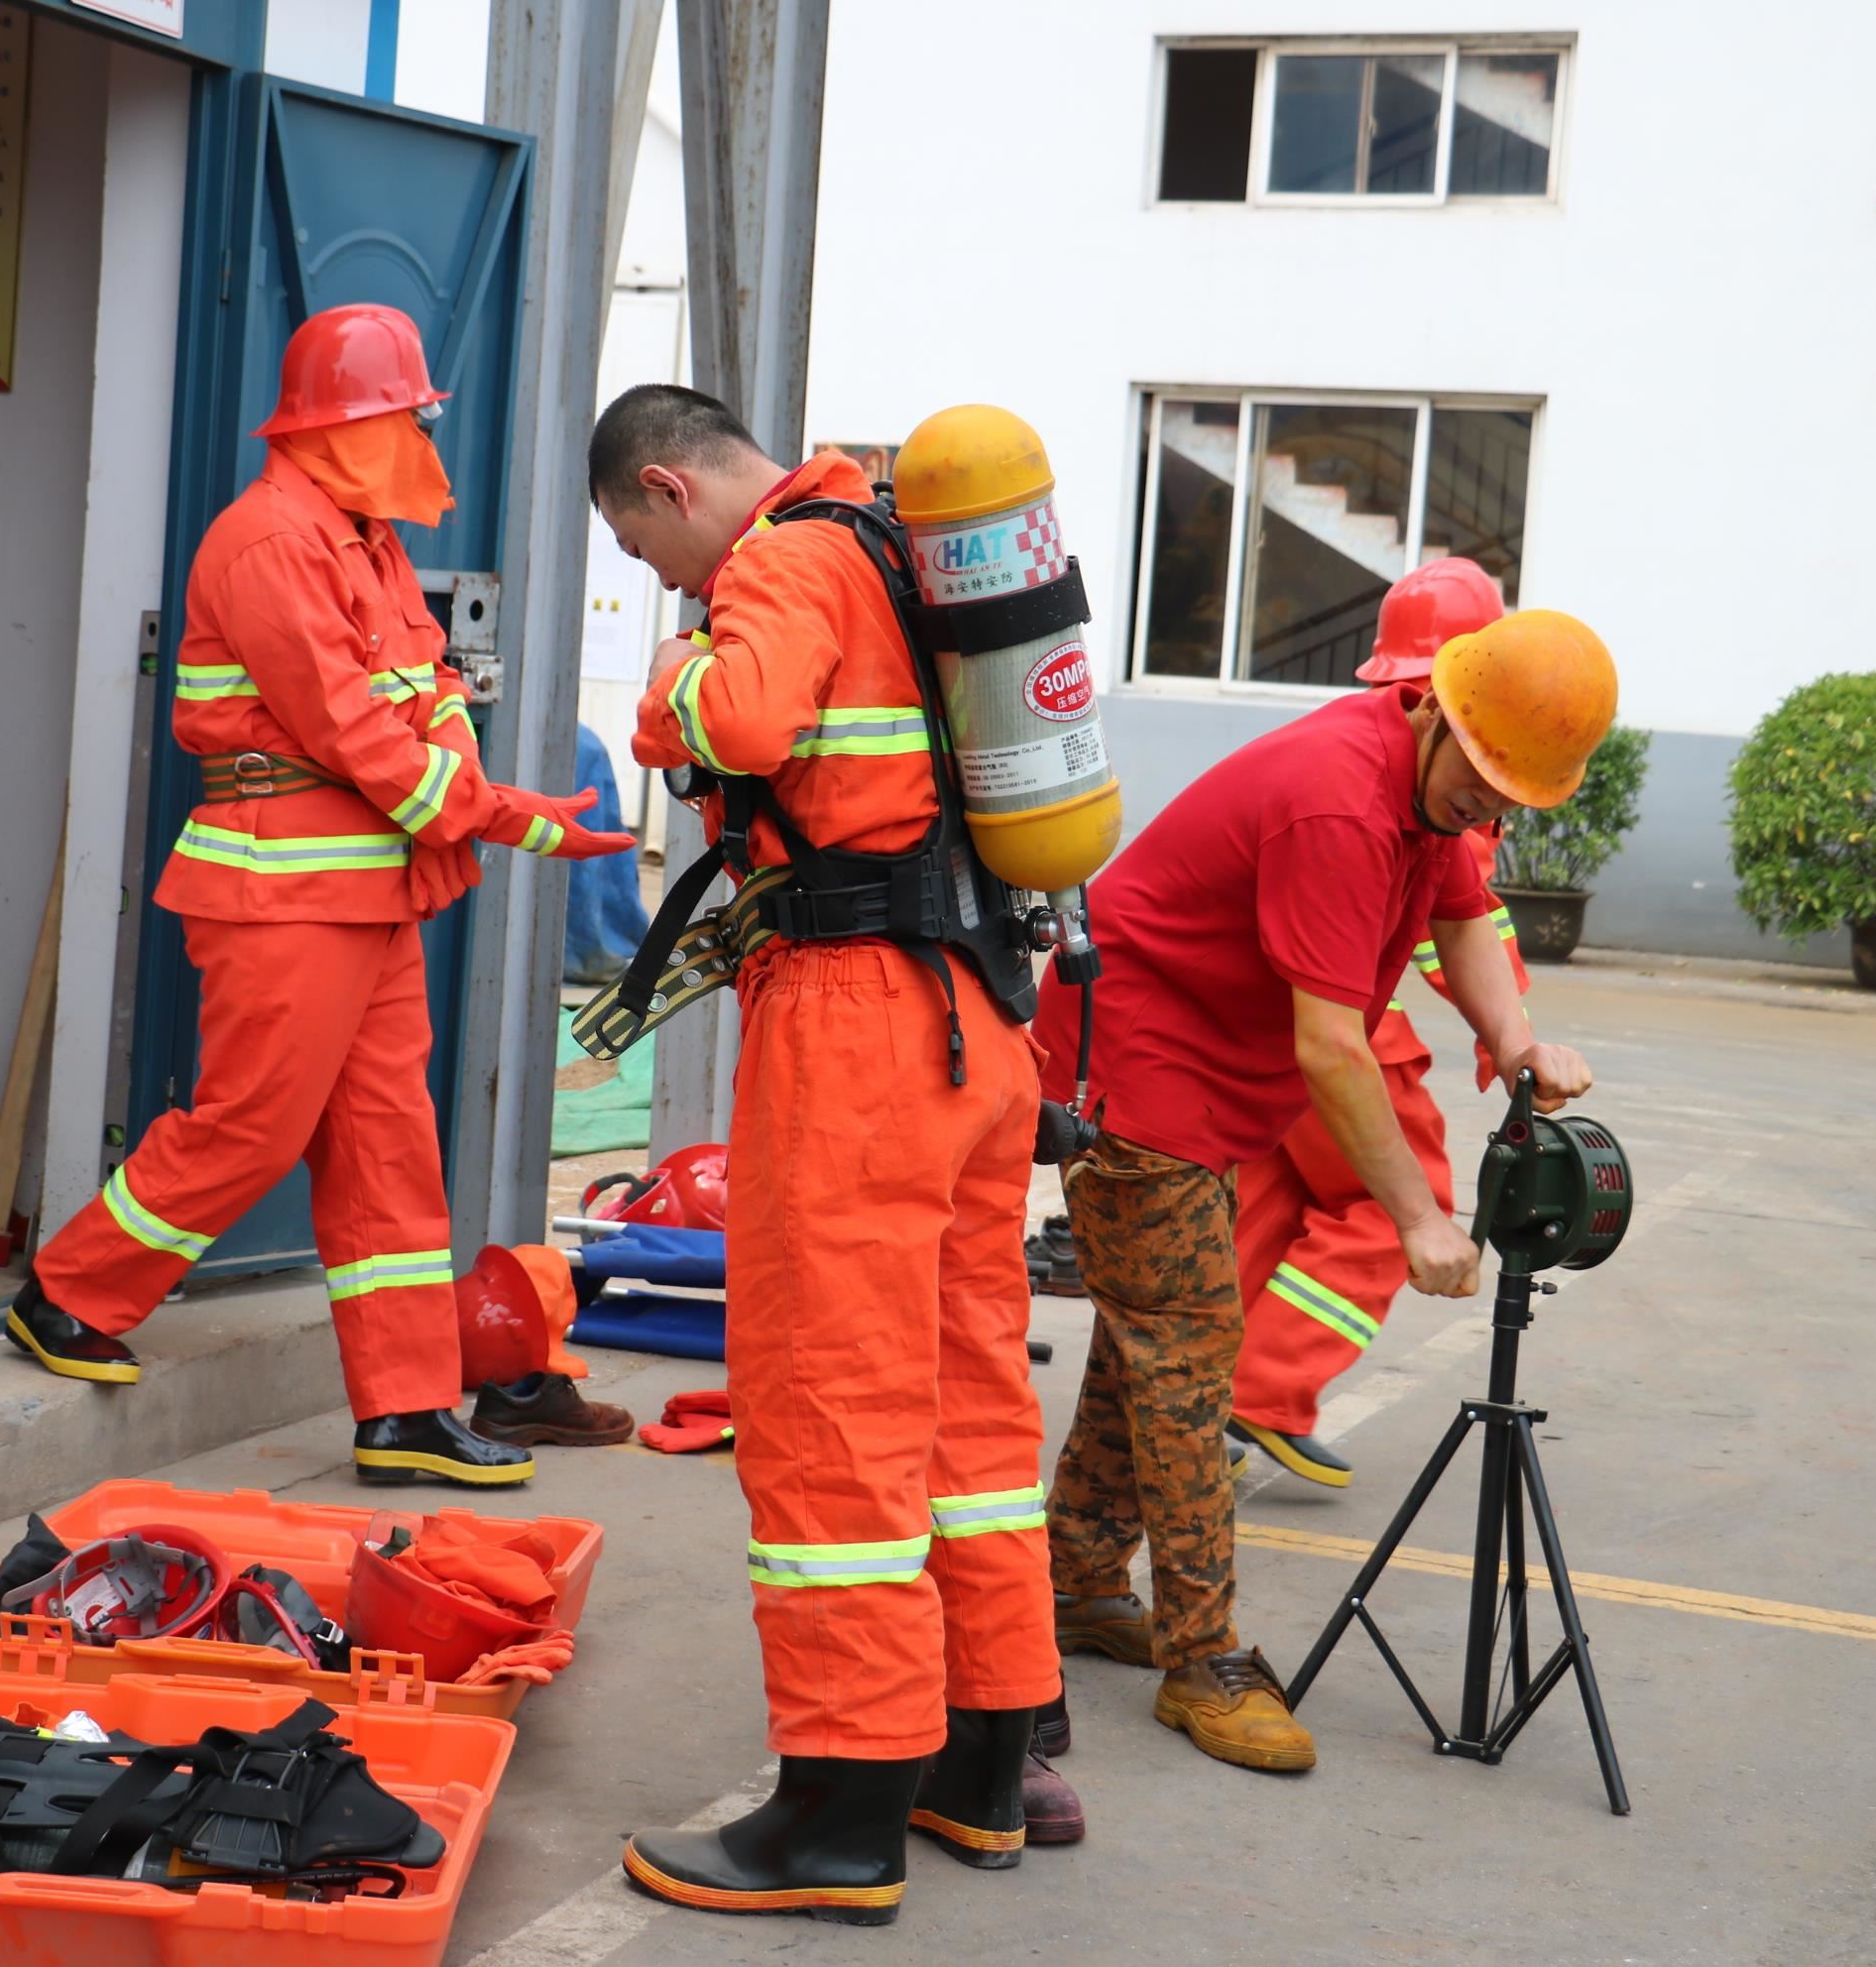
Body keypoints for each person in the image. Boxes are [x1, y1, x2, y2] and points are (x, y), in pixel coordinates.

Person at [6, 302, 634, 1490]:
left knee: (391, 1150)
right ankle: (70, 1290)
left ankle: (403, 1408)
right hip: (282, 886)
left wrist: (469, 791)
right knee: (254, 1122)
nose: (419, 445)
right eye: (405, 419)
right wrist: (499, 814)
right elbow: (351, 727)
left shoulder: (365, 538)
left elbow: (431, 685)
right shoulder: (268, 541)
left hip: (362, 888)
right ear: (349, 424)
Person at [589, 384, 1070, 1924]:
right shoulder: (898, 545)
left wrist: (671, 673)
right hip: (983, 1020)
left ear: (671, 487)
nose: (670, 586)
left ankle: (841, 1808)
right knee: (969, 1401)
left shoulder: (787, 559)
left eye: (648, 552)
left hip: (862, 1024)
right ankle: (981, 1764)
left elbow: (737, 722)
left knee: (829, 1401)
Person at [1034, 608, 1617, 1775]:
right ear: (1434, 710)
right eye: (1485, 781)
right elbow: (1333, 1048)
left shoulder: (1426, 786)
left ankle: (1079, 1581)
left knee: (1149, 1337)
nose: (1486, 811)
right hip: (1137, 1063)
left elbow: (1462, 918)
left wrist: (1516, 1042)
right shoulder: (1339, 801)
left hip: (1205, 1068)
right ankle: (1202, 1660)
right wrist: (1417, 1216)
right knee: (1192, 1350)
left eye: (1512, 795)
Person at [1228, 558, 1530, 1487]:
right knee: (1394, 1207)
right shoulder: (1448, 766)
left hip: (1263, 1030)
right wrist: (1506, 1037)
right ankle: (1262, 1396)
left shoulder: (1361, 734)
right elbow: (1454, 924)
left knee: (1266, 1210)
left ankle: (1202, 1400)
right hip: (1347, 1033)